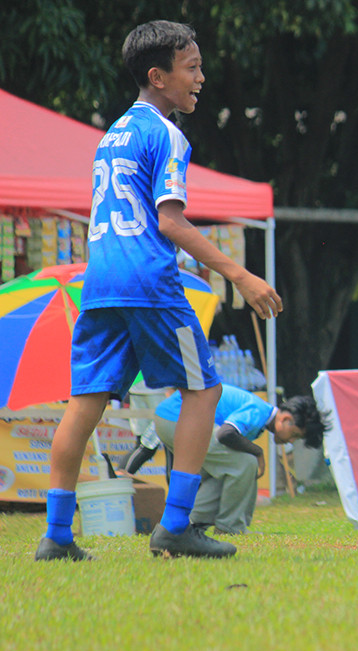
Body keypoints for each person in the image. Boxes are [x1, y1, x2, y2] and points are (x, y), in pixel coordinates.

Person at [35, 21, 282, 562]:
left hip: (100, 281)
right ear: (158, 76)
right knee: (203, 390)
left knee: (85, 402)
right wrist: (240, 275)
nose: (201, 78)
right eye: (192, 68)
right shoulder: (166, 134)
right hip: (149, 281)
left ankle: (56, 536)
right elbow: (170, 221)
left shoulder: (112, 134)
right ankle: (175, 527)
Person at [153, 385, 329, 534]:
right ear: (285, 419)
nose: (291, 441)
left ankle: (192, 525)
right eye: (294, 435)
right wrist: (258, 452)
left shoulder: (260, 414)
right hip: (177, 418)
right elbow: (225, 434)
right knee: (246, 463)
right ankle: (230, 528)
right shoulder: (258, 410)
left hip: (169, 418)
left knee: (227, 472)